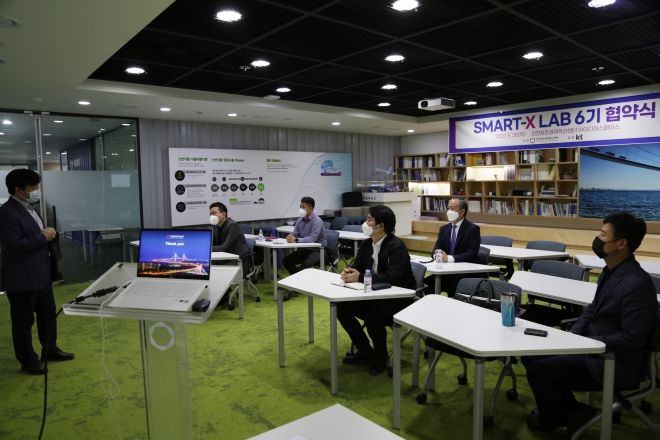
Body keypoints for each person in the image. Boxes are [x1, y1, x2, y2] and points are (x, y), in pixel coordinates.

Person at [523, 212, 657, 436]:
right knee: (530, 355)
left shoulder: (637, 284)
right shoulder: (611, 270)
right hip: (591, 347)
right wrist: (573, 337)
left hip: (613, 358)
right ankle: (572, 411)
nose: (597, 238)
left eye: (603, 235)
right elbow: (593, 308)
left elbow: (633, 339)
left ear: (621, 244)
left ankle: (555, 417)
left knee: (540, 370)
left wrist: (588, 343)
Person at [0, 169, 75, 375]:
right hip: (21, 276)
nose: (37, 190)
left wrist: (47, 235)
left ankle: (50, 350)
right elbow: (13, 245)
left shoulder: (30, 208)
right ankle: (28, 360)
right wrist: (43, 237)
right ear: (19, 190)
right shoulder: (6, 212)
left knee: (47, 315)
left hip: (41, 274)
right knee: (23, 322)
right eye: (33, 187)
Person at [337, 205, 416, 376]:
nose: (365, 223)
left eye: (369, 219)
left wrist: (359, 277)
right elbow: (357, 265)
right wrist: (349, 272)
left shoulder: (397, 247)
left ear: (380, 226)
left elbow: (392, 278)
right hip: (375, 294)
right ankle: (365, 349)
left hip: (399, 298)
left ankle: (381, 357)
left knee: (374, 318)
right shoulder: (367, 243)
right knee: (341, 308)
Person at [425, 197, 481, 297]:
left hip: (463, 272)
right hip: (446, 271)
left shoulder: (473, 229)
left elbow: (472, 254)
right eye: (448, 208)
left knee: (453, 285)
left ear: (462, 212)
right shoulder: (444, 229)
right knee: (427, 283)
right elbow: (436, 249)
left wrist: (449, 258)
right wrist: (438, 255)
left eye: (452, 208)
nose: (448, 212)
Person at [281, 196, 327, 301]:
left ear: (311, 209)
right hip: (306, 249)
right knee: (286, 261)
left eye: (303, 207)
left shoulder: (317, 221)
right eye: (300, 206)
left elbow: (312, 238)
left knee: (304, 266)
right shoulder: (300, 220)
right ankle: (301, 282)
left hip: (318, 250)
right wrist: (290, 237)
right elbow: (295, 234)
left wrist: (296, 240)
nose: (301, 209)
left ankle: (291, 289)